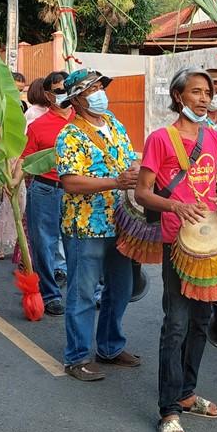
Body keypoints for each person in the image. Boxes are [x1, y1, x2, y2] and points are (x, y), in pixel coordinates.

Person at [137, 68, 217, 432]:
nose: (204, 98)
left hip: (209, 243)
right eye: (197, 92)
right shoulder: (160, 139)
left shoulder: (215, 137)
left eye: (209, 92)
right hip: (177, 243)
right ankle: (169, 409)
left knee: (201, 320)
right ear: (179, 96)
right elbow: (142, 193)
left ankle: (187, 391)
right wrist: (174, 207)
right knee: (177, 323)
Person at [54, 69, 141, 380]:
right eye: (93, 89)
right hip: (85, 224)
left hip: (120, 221)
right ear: (76, 99)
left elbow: (130, 158)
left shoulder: (114, 123)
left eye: (100, 87)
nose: (100, 93)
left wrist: (133, 172)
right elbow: (70, 182)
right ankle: (76, 357)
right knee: (84, 292)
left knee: (121, 288)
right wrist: (116, 181)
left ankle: (110, 347)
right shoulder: (70, 135)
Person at [21, 72, 73, 315]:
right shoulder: (37, 126)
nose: (62, 94)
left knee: (80, 244)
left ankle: (85, 292)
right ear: (48, 95)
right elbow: (26, 162)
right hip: (45, 189)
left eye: (66, 88)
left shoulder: (85, 123)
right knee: (44, 244)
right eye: (57, 90)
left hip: (79, 192)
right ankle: (51, 294)